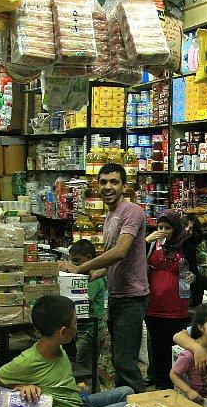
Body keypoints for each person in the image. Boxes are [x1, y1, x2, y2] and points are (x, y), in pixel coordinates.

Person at [0, 295, 134, 407]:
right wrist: (20, 386)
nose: (77, 327)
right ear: (63, 332)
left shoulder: (58, 348)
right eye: (75, 323)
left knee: (128, 392)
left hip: (78, 406)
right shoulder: (27, 361)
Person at [60, 163, 149, 393]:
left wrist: (81, 268)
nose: (108, 187)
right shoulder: (110, 215)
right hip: (117, 295)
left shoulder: (132, 211)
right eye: (103, 182)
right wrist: (95, 274)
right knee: (119, 362)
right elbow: (116, 262)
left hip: (132, 297)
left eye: (114, 182)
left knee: (125, 362)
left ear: (124, 187)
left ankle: (141, 406)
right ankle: (124, 405)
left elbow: (120, 251)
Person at [143, 210, 193, 389]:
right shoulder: (152, 244)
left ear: (176, 229)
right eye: (160, 227)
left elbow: (194, 271)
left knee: (174, 345)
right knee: (156, 346)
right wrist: (146, 241)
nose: (163, 231)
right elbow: (134, 260)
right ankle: (159, 381)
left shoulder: (186, 246)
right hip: (153, 305)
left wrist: (192, 277)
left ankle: (175, 383)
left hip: (176, 306)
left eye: (168, 228)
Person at [68, 239, 106, 374]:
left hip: (91, 331)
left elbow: (84, 301)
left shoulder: (92, 278)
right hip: (84, 329)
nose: (74, 265)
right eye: (72, 261)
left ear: (88, 258)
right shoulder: (82, 276)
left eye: (76, 261)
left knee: (84, 369)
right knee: (86, 367)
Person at [182, 213, 204, 307]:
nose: (187, 230)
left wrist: (193, 277)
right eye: (185, 226)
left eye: (191, 228)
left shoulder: (189, 248)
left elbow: (194, 272)